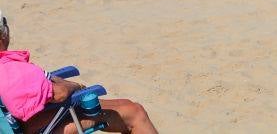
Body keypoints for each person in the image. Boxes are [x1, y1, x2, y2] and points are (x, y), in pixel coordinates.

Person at [0, 10, 159, 132]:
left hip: (30, 119)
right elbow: (60, 94)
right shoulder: (10, 69)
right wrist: (76, 86)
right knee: (135, 112)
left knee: (126, 104)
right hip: (39, 126)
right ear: (3, 36)